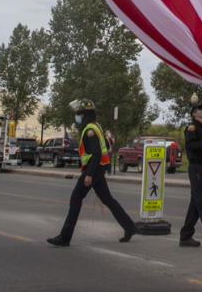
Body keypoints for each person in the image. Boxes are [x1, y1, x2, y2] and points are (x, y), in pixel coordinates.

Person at [47, 99, 136, 247]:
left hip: (93, 170)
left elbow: (95, 153)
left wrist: (88, 175)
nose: (77, 116)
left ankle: (65, 237)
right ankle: (130, 227)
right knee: (108, 200)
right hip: (98, 169)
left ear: (85, 114)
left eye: (79, 114)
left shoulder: (90, 131)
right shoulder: (95, 126)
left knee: (76, 198)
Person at [179, 101, 202, 249]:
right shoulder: (192, 127)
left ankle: (186, 235)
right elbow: (189, 146)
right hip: (196, 168)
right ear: (194, 113)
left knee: (196, 203)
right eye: (200, 109)